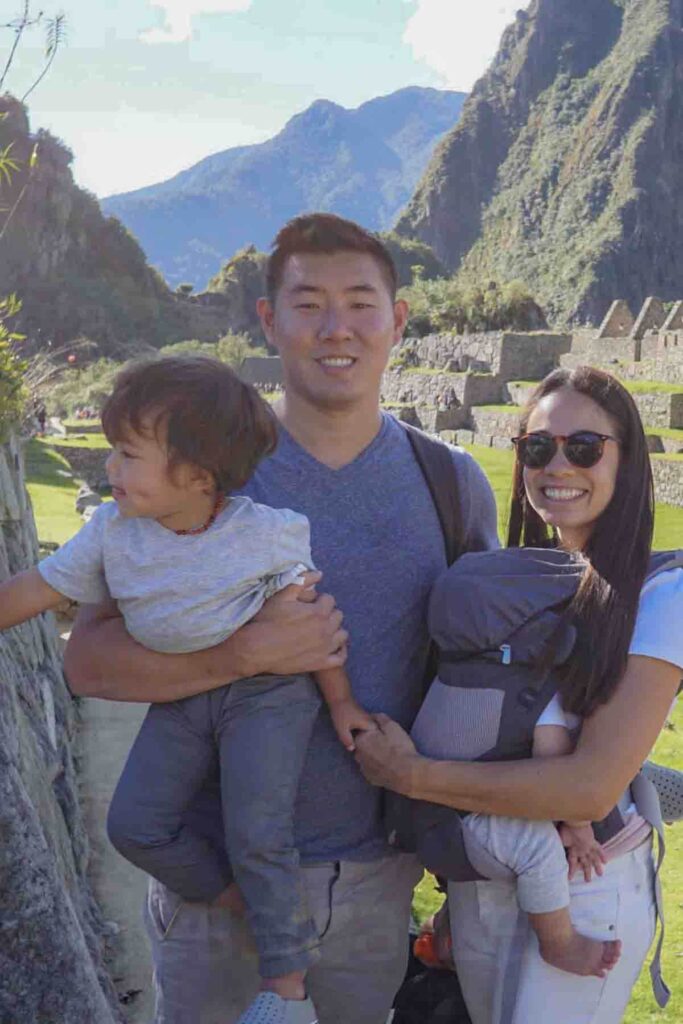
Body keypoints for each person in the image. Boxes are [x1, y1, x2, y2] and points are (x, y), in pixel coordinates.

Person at [62, 213, 499, 1024]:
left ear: (397, 320)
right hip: (216, 893)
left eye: (361, 303)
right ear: (266, 319)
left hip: (375, 883)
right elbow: (88, 662)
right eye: (308, 304)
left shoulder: (451, 482)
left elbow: (486, 676)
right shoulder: (201, 473)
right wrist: (244, 654)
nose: (337, 329)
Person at [0, 354, 379, 1024]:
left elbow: (314, 629)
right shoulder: (110, 536)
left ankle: (287, 990)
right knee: (136, 825)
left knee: (257, 828)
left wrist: (342, 702)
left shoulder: (264, 535)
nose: (110, 469)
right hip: (183, 695)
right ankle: (244, 902)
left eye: (127, 454)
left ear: (198, 476)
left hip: (270, 695)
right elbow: (33, 591)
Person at [356, 365, 683, 1023]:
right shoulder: (522, 585)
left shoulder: (661, 595)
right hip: (490, 880)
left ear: (627, 460)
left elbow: (587, 788)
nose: (556, 463)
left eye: (583, 447)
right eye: (537, 447)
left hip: (583, 890)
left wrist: (413, 777)